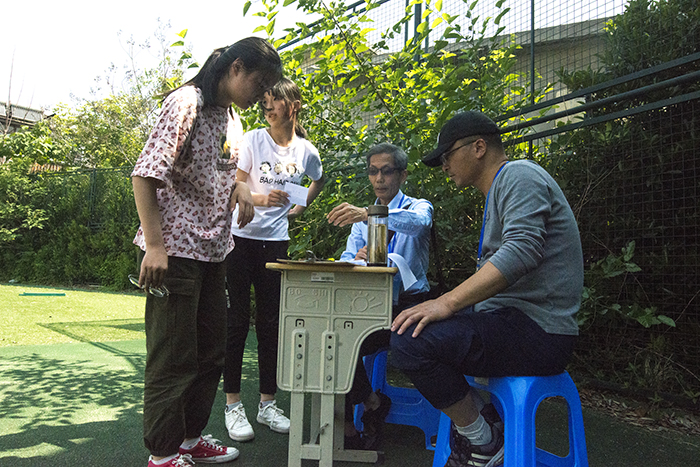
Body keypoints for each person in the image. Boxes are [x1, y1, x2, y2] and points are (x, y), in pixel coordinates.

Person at [390, 111, 583, 467]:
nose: (444, 166)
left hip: (539, 332)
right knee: (407, 322)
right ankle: (483, 426)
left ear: (479, 147)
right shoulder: (500, 189)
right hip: (512, 322)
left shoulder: (519, 175)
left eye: (448, 155)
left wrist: (447, 303)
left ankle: (485, 440)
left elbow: (522, 250)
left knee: (410, 340)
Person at [131, 37, 283, 467]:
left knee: (210, 354)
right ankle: (163, 456)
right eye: (260, 83)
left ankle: (189, 441)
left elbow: (218, 173)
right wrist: (155, 245)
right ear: (236, 68)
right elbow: (144, 175)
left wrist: (241, 190)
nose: (263, 95)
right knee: (173, 359)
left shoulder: (231, 117)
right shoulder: (187, 103)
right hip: (174, 253)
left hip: (214, 252)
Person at [222, 78, 326, 442]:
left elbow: (318, 180)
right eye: (264, 100)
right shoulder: (253, 139)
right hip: (240, 239)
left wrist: (300, 206)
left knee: (270, 324)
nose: (267, 106)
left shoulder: (306, 150)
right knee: (237, 322)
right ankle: (233, 405)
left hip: (275, 244)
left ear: (293, 106)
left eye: (274, 100)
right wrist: (261, 200)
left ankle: (267, 404)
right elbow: (236, 187)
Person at [326, 142, 433, 450]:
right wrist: (357, 259)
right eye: (373, 172)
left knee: (350, 344)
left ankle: (368, 408)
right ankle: (359, 416)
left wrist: (371, 214)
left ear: (402, 175)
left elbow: (420, 225)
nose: (379, 179)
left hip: (409, 308)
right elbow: (347, 258)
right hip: (368, 305)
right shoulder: (361, 219)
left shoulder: (418, 206)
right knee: (333, 341)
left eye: (386, 171)